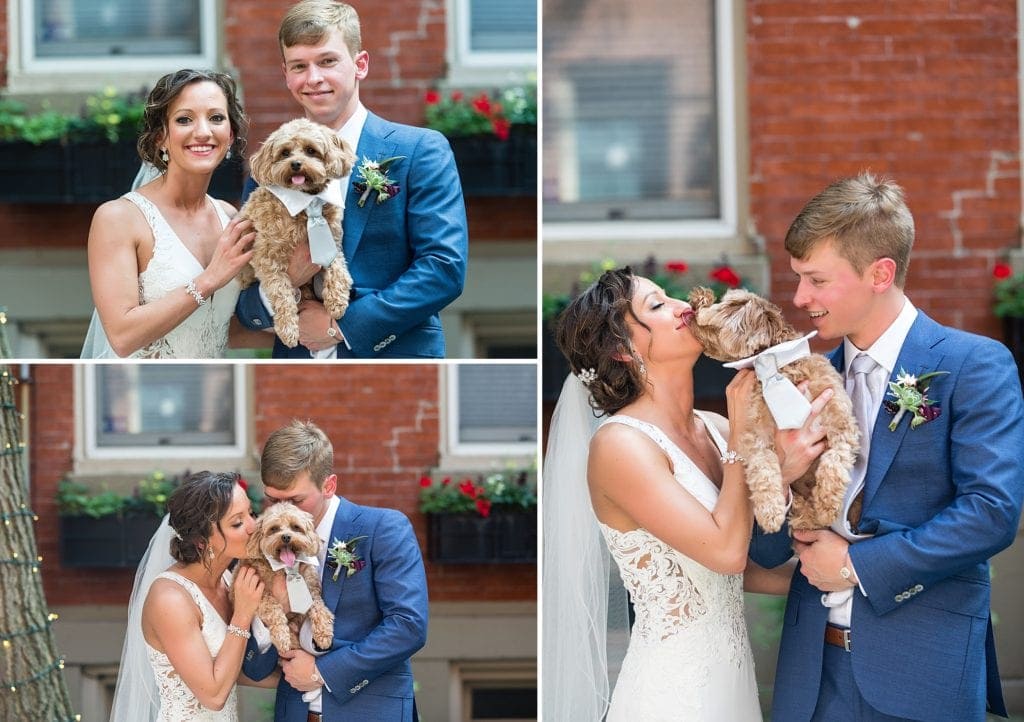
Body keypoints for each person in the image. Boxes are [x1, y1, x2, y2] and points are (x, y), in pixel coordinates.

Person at [750, 172, 1024, 721]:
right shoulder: (801, 383)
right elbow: (767, 552)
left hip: (923, 670)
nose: (800, 298)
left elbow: (991, 513)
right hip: (813, 678)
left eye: (816, 280)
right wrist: (778, 475)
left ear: (881, 273)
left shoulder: (974, 365)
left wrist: (855, 565)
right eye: (797, 278)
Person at [542, 267, 828, 721]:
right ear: (621, 350)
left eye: (670, 298)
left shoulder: (714, 429)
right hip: (672, 692)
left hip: (732, 681)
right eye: (656, 306)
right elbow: (725, 552)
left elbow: (741, 570)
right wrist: (747, 442)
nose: (684, 307)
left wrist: (844, 574)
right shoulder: (620, 446)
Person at [234, 0, 468, 359]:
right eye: (299, 66)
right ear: (286, 74)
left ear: (360, 64)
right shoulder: (269, 169)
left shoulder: (420, 150)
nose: (313, 78)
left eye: (327, 61)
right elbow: (245, 290)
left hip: (395, 357)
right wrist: (283, 289)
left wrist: (340, 327)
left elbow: (443, 268)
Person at [242, 419, 429, 721]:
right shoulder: (263, 547)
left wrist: (320, 672)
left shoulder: (383, 529)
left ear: (329, 485)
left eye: (296, 500)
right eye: (273, 499)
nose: (283, 509)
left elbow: (408, 626)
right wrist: (265, 622)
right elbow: (255, 668)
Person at [82, 69, 258, 358]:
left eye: (216, 118)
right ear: (161, 137)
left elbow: (225, 329)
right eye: (184, 119)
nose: (203, 131)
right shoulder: (118, 219)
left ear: (230, 135)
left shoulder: (230, 217)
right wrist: (209, 279)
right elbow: (122, 336)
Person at [110, 471, 268, 721]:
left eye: (251, 513)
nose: (253, 527)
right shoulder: (170, 599)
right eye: (237, 523)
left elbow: (233, 665)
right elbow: (214, 696)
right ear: (202, 541)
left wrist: (310, 677)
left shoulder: (228, 580)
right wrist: (242, 615)